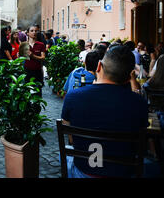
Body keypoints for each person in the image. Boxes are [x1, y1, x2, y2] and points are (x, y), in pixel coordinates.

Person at [61, 46, 149, 178]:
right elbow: (140, 144)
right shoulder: (139, 102)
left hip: (84, 170)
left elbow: (71, 139)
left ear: (98, 67)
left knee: (66, 157)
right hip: (122, 173)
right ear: (128, 77)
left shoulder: (73, 96)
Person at [25, 25, 46, 97]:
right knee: (26, 92)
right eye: (32, 31)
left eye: (36, 31)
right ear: (27, 33)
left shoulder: (41, 45)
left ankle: (36, 108)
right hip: (26, 71)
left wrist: (33, 56)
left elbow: (43, 58)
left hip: (37, 71)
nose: (34, 32)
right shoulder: (24, 44)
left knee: (38, 92)